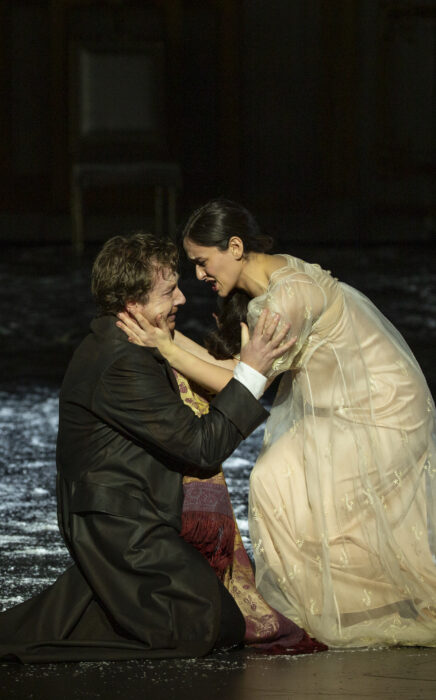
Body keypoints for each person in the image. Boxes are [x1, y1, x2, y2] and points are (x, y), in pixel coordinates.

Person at [0, 231, 294, 662]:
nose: (181, 299)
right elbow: (202, 446)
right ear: (133, 305)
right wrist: (252, 371)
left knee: (207, 620)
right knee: (209, 626)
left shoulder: (133, 342)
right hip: (121, 526)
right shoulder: (122, 362)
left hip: (131, 513)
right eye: (168, 292)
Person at [117, 199, 436, 648]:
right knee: (274, 477)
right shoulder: (266, 286)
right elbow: (238, 371)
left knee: (322, 498)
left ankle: (365, 606)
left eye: (202, 262)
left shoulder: (286, 298)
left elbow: (242, 384)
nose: (199, 275)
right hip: (337, 407)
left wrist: (167, 349)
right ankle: (317, 606)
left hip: (381, 407)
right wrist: (166, 336)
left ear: (234, 247)